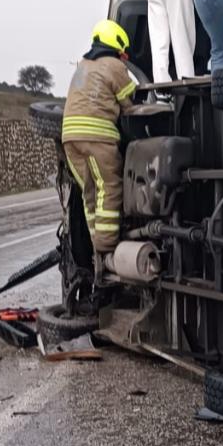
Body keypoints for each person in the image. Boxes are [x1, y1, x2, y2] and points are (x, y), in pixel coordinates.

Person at [61, 20, 136, 278]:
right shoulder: (114, 66)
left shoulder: (82, 66)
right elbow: (130, 102)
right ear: (117, 45)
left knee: (90, 192)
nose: (124, 58)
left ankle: (96, 248)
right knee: (110, 186)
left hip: (70, 138)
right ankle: (106, 250)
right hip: (98, 137)